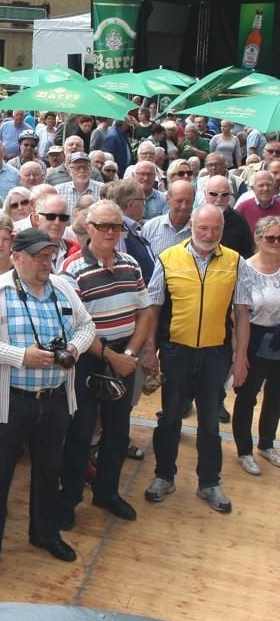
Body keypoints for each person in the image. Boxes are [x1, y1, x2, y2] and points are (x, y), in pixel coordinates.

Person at [0, 228, 95, 580]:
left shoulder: (64, 288)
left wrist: (73, 350)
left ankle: (44, 533)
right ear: (16, 257)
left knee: (49, 471)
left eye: (49, 255)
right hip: (10, 402)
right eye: (38, 255)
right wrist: (20, 356)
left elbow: (87, 327)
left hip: (53, 400)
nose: (45, 261)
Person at [144, 205, 249, 514]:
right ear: (192, 225)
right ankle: (164, 476)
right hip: (176, 351)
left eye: (215, 229)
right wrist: (150, 349)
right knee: (170, 417)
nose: (209, 235)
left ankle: (209, 483)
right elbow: (153, 308)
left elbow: (242, 313)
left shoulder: (234, 262)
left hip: (215, 353)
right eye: (203, 228)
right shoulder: (168, 258)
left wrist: (240, 358)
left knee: (209, 424)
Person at [59, 201, 154, 529]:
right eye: (104, 226)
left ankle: (107, 492)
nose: (111, 232)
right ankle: (69, 498)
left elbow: (145, 312)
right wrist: (113, 357)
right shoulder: (71, 270)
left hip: (124, 357)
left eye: (117, 226)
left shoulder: (130, 264)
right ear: (88, 227)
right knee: (81, 433)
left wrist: (128, 355)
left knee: (117, 431)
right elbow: (73, 327)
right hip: (88, 360)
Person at [232, 217, 280, 473]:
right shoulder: (245, 269)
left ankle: (267, 443)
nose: (275, 243)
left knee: (276, 396)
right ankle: (244, 450)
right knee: (247, 396)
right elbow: (240, 313)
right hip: (254, 338)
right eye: (270, 238)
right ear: (258, 238)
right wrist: (239, 352)